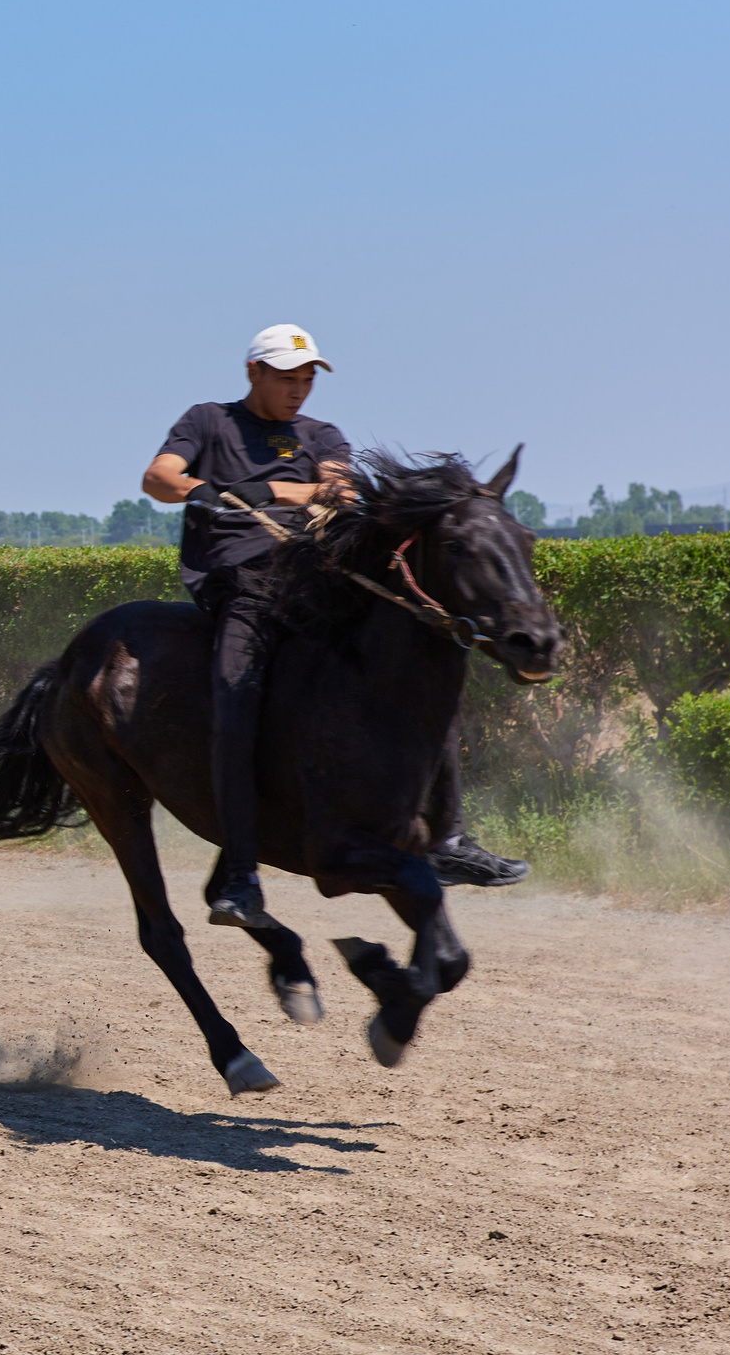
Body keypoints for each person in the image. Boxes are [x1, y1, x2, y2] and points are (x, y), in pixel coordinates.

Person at [140, 325, 526, 928]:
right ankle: (241, 874)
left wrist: (307, 493)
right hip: (241, 588)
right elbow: (158, 478)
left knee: (428, 661)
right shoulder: (208, 421)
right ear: (254, 374)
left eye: (307, 379)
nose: (299, 390)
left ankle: (449, 839)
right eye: (287, 378)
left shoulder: (321, 435)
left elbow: (338, 487)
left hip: (312, 585)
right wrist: (213, 491)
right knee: (235, 701)